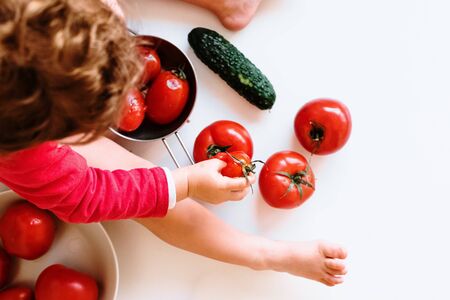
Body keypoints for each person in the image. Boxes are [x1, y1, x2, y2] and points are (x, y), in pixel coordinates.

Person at [0, 0, 347, 287]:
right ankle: (264, 254)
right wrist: (187, 182)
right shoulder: (26, 159)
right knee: (137, 186)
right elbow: (92, 196)